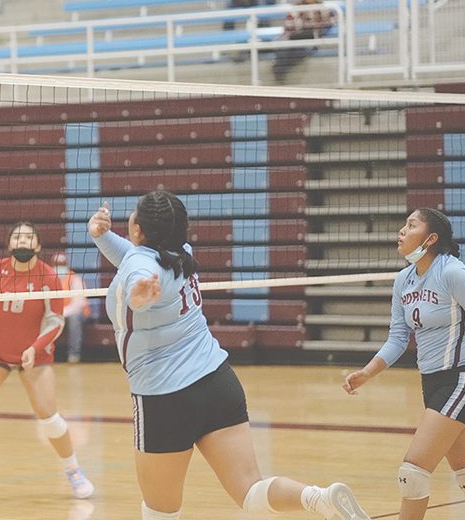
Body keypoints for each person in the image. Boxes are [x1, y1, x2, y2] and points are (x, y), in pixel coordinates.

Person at [88, 191, 371, 520]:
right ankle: (316, 497)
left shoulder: (141, 268)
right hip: (217, 383)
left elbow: (136, 271)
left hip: (165, 397)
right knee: (250, 491)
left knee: (159, 511)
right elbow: (135, 259)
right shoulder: (179, 252)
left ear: (138, 230)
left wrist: (138, 298)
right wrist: (102, 236)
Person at [343, 208, 465, 520]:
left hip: (463, 380)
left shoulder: (452, 273)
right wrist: (366, 373)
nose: (401, 231)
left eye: (411, 225)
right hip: (433, 384)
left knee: (412, 472)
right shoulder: (403, 281)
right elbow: (399, 337)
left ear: (431, 239)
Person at [0, 222, 94, 501]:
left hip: (35, 355)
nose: (23, 242)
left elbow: (55, 319)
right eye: (17, 237)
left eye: (29, 238)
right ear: (9, 244)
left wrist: (36, 347)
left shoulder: (50, 276)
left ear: (38, 246)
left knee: (50, 419)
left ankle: (73, 470)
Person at [272, 0, 336, 84]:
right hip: (295, 37)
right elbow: (288, 24)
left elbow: (331, 21)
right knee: (284, 48)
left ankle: (279, 70)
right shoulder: (296, 8)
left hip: (312, 39)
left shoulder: (323, 8)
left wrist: (314, 29)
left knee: (303, 49)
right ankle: (279, 71)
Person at [51, 252, 90, 363]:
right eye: (57, 265)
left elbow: (78, 304)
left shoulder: (75, 279)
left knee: (74, 318)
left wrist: (61, 313)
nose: (60, 268)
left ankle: (74, 354)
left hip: (76, 313)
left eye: (62, 265)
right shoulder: (48, 279)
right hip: (57, 313)